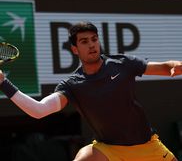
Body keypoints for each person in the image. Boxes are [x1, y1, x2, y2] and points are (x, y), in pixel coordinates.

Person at [0, 21, 180, 161]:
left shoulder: (122, 64)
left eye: (94, 39)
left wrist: (174, 65)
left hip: (147, 146)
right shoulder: (72, 85)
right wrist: (3, 82)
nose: (92, 45)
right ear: (75, 49)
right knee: (84, 157)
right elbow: (38, 110)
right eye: (84, 41)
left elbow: (164, 67)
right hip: (109, 149)